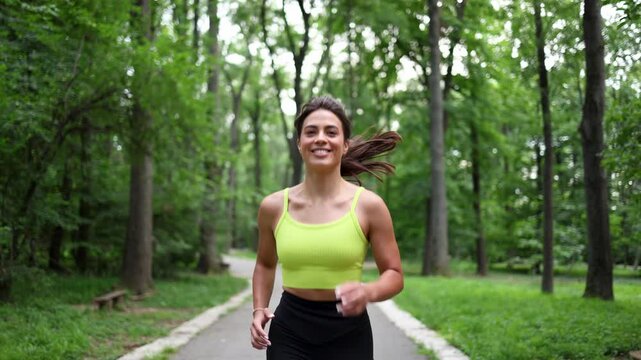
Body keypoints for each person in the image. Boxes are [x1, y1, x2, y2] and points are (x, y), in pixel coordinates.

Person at [250, 96, 404, 359]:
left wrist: (367, 291)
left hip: (349, 333)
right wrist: (258, 309)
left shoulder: (369, 206)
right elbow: (265, 264)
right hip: (290, 331)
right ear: (299, 144)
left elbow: (394, 273)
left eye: (331, 132)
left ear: (344, 145)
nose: (320, 138)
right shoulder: (273, 207)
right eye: (311, 132)